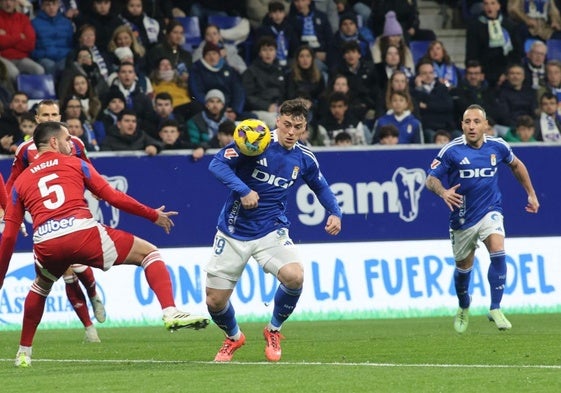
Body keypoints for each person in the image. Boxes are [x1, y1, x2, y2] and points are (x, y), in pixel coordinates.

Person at [0, 121, 209, 367]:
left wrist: (1, 276)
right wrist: (152, 215)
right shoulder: (76, 163)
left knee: (41, 286)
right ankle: (170, 311)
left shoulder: (22, 181)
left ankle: (24, 352)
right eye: (68, 139)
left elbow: (10, 235)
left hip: (46, 242)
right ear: (54, 142)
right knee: (149, 254)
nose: (72, 143)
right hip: (81, 232)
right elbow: (112, 196)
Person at [206, 98, 342, 362]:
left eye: (298, 127)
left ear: (305, 129)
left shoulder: (304, 158)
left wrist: (335, 212)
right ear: (278, 121)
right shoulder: (256, 140)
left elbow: (320, 186)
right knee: (215, 302)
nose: (292, 132)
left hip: (272, 230)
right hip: (233, 230)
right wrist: (243, 190)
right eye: (287, 125)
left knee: (295, 276)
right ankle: (234, 337)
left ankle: (274, 329)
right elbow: (217, 165)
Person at [425, 104, 540, 334]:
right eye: (467, 122)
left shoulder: (498, 146)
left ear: (486, 125)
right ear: (462, 125)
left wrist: (531, 193)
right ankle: (464, 305)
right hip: (462, 218)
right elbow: (431, 179)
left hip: (490, 210)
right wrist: (443, 192)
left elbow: (516, 165)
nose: (471, 126)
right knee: (463, 270)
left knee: (498, 250)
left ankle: (495, 307)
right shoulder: (451, 150)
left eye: (476, 121)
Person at [4, 100, 106, 343]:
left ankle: (93, 294)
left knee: (78, 265)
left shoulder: (75, 143)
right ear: (37, 119)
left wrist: (97, 189)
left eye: (54, 114)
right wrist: (8, 211)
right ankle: (89, 327)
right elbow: (12, 182)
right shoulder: (25, 150)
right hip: (44, 216)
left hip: (74, 210)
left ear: (61, 116)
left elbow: (89, 169)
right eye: (45, 114)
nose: (50, 118)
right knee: (66, 271)